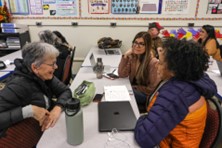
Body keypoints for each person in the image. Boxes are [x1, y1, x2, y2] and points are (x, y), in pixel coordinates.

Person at [134, 38, 217, 147]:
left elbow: (143, 138)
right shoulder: (191, 79)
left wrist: (142, 118)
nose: (156, 65)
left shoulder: (175, 95)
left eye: (161, 63)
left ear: (174, 69)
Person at [0, 42, 72, 146]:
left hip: (42, 131)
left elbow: (65, 91)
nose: (56, 67)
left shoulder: (43, 75)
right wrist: (29, 111)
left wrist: (57, 109)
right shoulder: (18, 86)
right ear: (35, 67)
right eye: (52, 64)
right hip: (26, 139)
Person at [118, 31, 161, 111]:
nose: (137, 46)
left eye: (141, 44)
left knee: (121, 95)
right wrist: (125, 56)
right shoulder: (134, 57)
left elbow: (152, 89)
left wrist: (133, 87)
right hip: (135, 90)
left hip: (146, 96)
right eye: (135, 42)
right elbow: (122, 74)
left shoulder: (153, 62)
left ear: (147, 46)